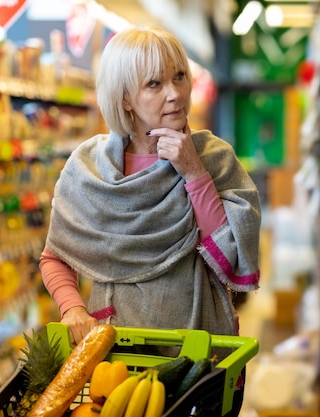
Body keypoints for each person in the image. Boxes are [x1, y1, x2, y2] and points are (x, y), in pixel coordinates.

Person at [39, 25, 261, 352]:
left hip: (196, 350)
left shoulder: (214, 158)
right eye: (155, 83)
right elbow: (55, 256)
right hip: (113, 350)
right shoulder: (88, 167)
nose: (174, 93)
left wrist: (194, 172)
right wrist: (72, 308)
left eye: (180, 77)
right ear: (125, 97)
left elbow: (232, 259)